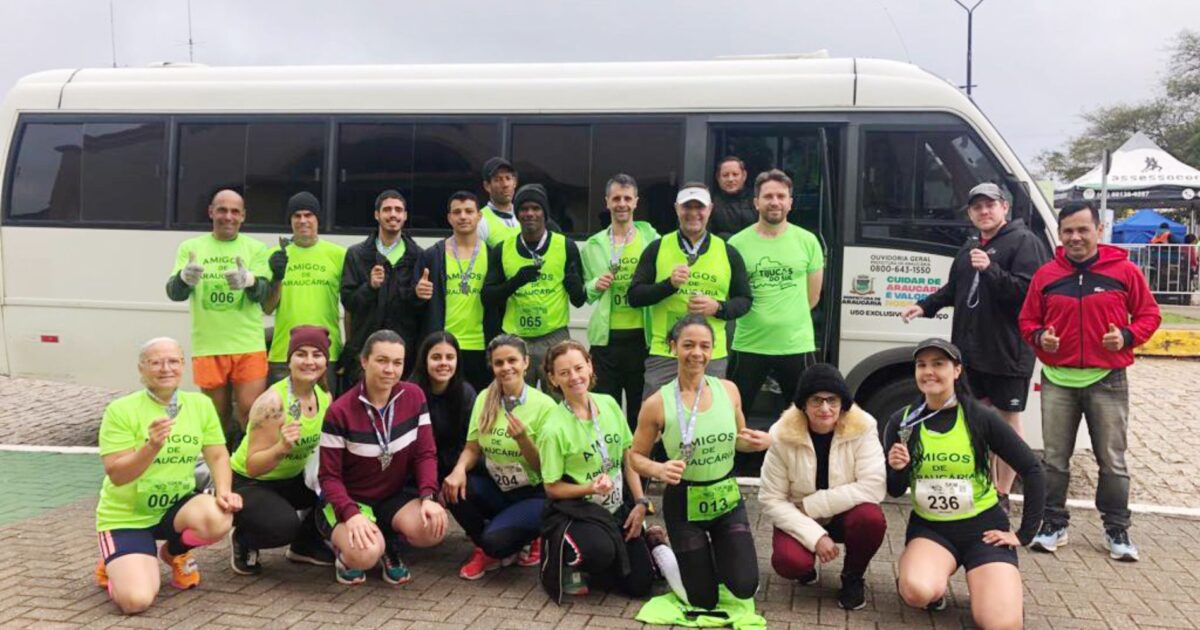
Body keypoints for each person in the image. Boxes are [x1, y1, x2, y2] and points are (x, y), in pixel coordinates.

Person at [1018, 201, 1161, 561]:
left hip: (1108, 379)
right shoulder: (1046, 275)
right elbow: (1027, 321)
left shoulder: (1124, 271)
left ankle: (1117, 530)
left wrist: (1126, 336)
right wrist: (1040, 339)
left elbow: (1149, 314)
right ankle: (1053, 524)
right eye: (1068, 231)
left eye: (1083, 229)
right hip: (1057, 381)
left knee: (1112, 460)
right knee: (1054, 460)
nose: (1075, 237)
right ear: (1060, 234)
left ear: (1099, 230)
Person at [900, 182, 1048, 510]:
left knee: (1008, 423)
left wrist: (991, 269)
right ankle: (983, 485)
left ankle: (1004, 493)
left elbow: (1027, 294)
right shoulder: (970, 246)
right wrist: (924, 306)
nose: (984, 211)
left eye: (990, 205)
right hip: (969, 351)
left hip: (1007, 353)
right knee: (975, 419)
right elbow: (955, 288)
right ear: (970, 213)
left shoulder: (1024, 242)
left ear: (1004, 208)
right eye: (977, 207)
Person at [884, 339, 1044, 628]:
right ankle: (936, 585)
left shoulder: (980, 417)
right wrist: (897, 468)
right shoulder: (903, 421)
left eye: (938, 364)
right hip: (931, 530)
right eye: (922, 365)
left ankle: (989, 586)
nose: (928, 371)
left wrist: (1023, 535)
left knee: (1000, 624)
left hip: (983, 530)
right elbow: (895, 489)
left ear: (957, 371)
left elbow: (1032, 470)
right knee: (917, 592)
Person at [629, 315, 772, 610]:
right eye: (688, 345)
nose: (697, 353)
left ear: (713, 350)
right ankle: (660, 548)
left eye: (705, 346)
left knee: (745, 587)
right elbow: (635, 456)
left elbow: (739, 438)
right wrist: (659, 469)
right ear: (673, 347)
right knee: (703, 600)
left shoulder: (729, 390)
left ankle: (714, 556)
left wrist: (758, 442)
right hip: (684, 500)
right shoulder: (657, 402)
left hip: (726, 498)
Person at [94, 338, 241, 614]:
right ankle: (116, 562)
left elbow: (218, 455)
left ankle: (174, 552)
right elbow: (117, 475)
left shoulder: (199, 404)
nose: (165, 368)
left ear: (183, 365)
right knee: (136, 602)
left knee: (218, 517)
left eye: (173, 361)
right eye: (156, 362)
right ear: (142, 368)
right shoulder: (120, 410)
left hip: (174, 507)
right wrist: (151, 446)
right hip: (126, 516)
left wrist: (223, 490)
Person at [318, 329, 447, 585]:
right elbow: (328, 477)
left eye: (397, 362)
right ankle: (342, 551)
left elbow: (425, 454)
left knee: (432, 529)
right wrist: (351, 514)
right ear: (364, 361)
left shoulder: (414, 396)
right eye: (382, 360)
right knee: (364, 555)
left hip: (390, 497)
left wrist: (428, 496)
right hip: (350, 500)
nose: (390, 369)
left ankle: (388, 542)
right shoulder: (339, 411)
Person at [757, 363, 886, 611]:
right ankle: (805, 567)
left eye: (832, 400)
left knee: (870, 518)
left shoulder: (864, 427)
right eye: (816, 400)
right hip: (798, 513)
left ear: (843, 403)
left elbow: (873, 486)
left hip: (835, 512)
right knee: (789, 563)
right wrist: (815, 537)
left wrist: (812, 506)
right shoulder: (781, 435)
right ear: (803, 404)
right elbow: (771, 499)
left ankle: (852, 576)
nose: (825, 408)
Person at [538, 340, 654, 601]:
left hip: (615, 508)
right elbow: (552, 488)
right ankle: (567, 557)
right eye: (564, 372)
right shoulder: (553, 428)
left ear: (590, 366)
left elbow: (629, 458)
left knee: (641, 585)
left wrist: (640, 503)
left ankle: (609, 561)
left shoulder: (610, 404)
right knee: (599, 551)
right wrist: (589, 488)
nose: (574, 377)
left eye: (579, 367)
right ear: (553, 379)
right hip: (579, 511)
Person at [441, 335, 557, 580]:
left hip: (536, 493)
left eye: (512, 360)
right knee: (453, 487)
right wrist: (459, 469)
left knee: (496, 542)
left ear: (526, 363)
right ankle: (486, 547)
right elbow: (472, 448)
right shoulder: (485, 398)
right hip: (500, 488)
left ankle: (523, 537)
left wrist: (524, 440)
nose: (506, 368)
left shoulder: (545, 406)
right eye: (499, 363)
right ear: (492, 367)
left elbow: (548, 470)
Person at [228, 326, 335, 575]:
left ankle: (304, 545)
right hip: (252, 482)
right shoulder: (272, 404)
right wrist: (281, 447)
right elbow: (254, 465)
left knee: (337, 491)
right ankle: (244, 538)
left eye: (317, 355)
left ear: (325, 361)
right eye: (301, 354)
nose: (309, 361)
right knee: (283, 526)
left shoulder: (324, 396)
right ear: (289, 361)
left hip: (291, 479)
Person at [628, 183, 752, 396]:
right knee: (656, 420)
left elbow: (745, 300)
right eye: (687, 207)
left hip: (709, 355)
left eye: (699, 207)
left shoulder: (728, 251)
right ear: (677, 209)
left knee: (707, 420)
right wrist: (669, 285)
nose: (693, 213)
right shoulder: (657, 248)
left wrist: (718, 307)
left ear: (710, 209)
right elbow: (634, 296)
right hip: (666, 352)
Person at [166, 189, 270, 441]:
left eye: (235, 211)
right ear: (211, 212)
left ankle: (247, 471)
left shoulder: (256, 248)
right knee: (216, 418)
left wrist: (250, 280)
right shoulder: (191, 247)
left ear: (243, 216)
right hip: (209, 346)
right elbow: (174, 293)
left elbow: (264, 294)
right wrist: (183, 278)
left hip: (248, 345)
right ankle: (219, 472)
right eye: (222, 210)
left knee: (250, 413)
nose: (228, 216)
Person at [728, 170, 825, 413]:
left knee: (804, 417)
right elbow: (734, 296)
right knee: (734, 416)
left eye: (781, 196)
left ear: (790, 203)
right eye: (768, 196)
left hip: (795, 346)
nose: (775, 202)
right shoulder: (736, 244)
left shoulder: (808, 241)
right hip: (749, 344)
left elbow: (812, 298)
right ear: (756, 202)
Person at [482, 184, 586, 390]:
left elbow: (579, 300)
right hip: (515, 339)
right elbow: (487, 297)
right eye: (524, 209)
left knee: (559, 403)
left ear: (545, 214)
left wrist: (574, 287)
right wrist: (515, 282)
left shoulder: (566, 246)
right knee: (514, 402)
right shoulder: (503, 249)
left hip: (553, 336)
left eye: (536, 208)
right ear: (517, 214)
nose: (530, 213)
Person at [580, 174, 660, 429]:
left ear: (636, 201)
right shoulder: (594, 245)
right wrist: (595, 284)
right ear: (607, 202)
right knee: (606, 410)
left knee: (641, 410)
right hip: (606, 341)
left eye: (627, 198)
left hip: (642, 338)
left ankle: (637, 466)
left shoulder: (653, 241)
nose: (622, 204)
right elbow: (584, 292)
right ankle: (611, 465)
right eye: (616, 198)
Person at [340, 190, 423, 389]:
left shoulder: (418, 256)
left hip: (404, 356)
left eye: (398, 210)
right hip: (365, 352)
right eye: (387, 210)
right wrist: (369, 287)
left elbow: (420, 311)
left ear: (405, 216)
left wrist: (420, 296)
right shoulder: (357, 254)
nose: (393, 214)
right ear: (377, 215)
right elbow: (348, 302)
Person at [263, 192, 347, 386]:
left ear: (317, 219)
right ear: (290, 220)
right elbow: (267, 307)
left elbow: (350, 306)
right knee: (283, 416)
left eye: (308, 215)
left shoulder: (339, 255)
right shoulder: (274, 255)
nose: (303, 221)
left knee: (325, 414)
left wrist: (348, 347)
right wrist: (277, 277)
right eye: (297, 216)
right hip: (284, 354)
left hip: (327, 352)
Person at [414, 191, 492, 391]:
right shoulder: (432, 255)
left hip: (481, 346)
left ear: (479, 216)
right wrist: (418, 295)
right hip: (444, 347)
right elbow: (414, 304)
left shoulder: (493, 255)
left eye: (469, 211)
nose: (463, 216)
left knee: (477, 409)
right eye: (457, 212)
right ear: (449, 218)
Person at [410, 331, 478, 483]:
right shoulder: (410, 393)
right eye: (436, 357)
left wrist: (457, 472)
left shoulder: (466, 393)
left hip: (456, 469)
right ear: (424, 360)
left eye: (450, 357)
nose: (443, 363)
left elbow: (471, 444)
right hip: (416, 473)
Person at [477, 157, 522, 248]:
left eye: (508, 178)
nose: (505, 184)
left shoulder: (525, 215)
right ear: (487, 186)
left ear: (515, 182)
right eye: (498, 179)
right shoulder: (480, 221)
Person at [709, 156, 756, 239]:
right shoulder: (711, 204)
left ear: (744, 176)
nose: (730, 179)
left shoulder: (756, 201)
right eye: (725, 175)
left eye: (735, 174)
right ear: (718, 178)